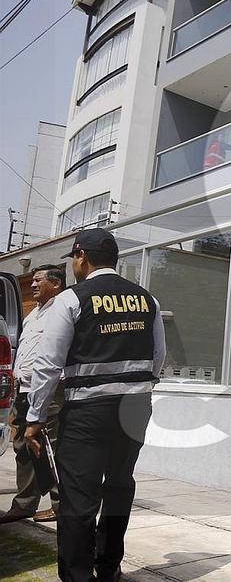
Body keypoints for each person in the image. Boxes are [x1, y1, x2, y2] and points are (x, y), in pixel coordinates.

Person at [24, 228, 166, 582]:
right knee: (119, 486)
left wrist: (35, 417)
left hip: (88, 409)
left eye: (74, 258)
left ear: (82, 257)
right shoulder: (147, 299)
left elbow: (48, 364)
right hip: (134, 408)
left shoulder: (72, 299)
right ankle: (108, 567)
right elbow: (158, 357)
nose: (74, 265)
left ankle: (78, 575)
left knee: (78, 495)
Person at [0, 265, 66, 524]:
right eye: (33, 280)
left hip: (48, 390)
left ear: (56, 284)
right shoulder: (33, 315)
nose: (33, 285)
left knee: (51, 449)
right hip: (24, 390)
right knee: (23, 448)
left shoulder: (62, 312)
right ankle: (25, 504)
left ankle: (60, 506)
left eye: (39, 280)